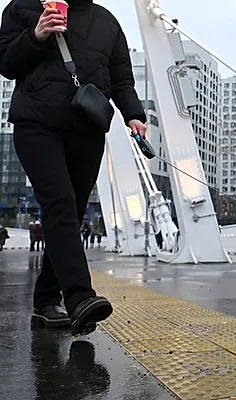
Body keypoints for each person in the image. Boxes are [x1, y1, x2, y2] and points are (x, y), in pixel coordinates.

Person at [0, 0, 147, 335]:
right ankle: (80, 298)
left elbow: (121, 78)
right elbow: (6, 63)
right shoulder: (23, 7)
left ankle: (46, 302)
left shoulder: (106, 23)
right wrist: (36, 35)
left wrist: (134, 115)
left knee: (71, 213)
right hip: (36, 124)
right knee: (60, 203)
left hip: (87, 129)